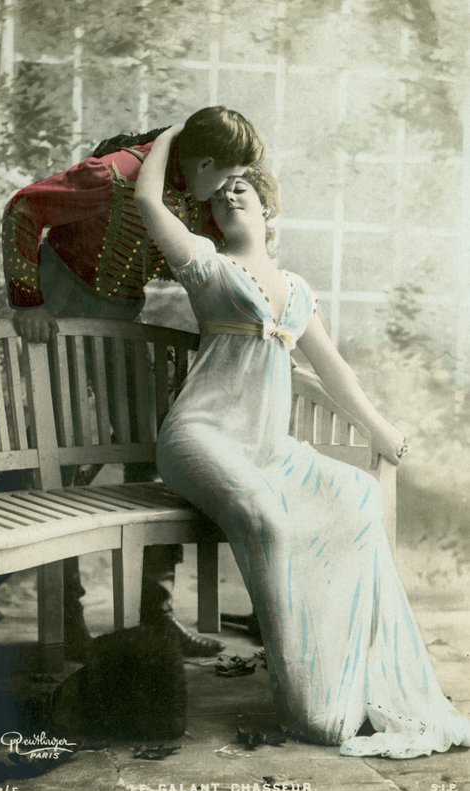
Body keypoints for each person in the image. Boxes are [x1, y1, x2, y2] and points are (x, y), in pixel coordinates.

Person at [134, 124, 470, 758]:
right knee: (269, 519)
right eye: (220, 191)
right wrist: (174, 136)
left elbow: (335, 372)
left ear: (268, 210)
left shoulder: (298, 292)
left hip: (269, 448)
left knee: (359, 497)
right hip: (200, 436)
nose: (228, 194)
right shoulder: (206, 265)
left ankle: (345, 671)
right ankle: (306, 701)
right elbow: (148, 201)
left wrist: (380, 430)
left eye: (242, 188)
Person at [0, 106, 266, 661]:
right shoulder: (115, 173)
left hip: (121, 314)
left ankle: (156, 617)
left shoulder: (196, 190)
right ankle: (66, 620)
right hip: (62, 305)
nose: (228, 189)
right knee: (60, 460)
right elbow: (23, 208)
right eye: (228, 176)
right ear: (205, 163)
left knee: (159, 449)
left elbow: (216, 247)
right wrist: (29, 301)